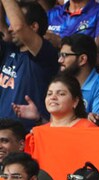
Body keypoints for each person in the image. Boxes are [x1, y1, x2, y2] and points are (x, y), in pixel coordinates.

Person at [0, 0, 59, 133]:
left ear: (33, 27)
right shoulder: (9, 50)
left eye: (12, 24)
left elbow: (19, 27)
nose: (10, 29)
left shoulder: (45, 54)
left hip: (27, 136)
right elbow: (3, 29)